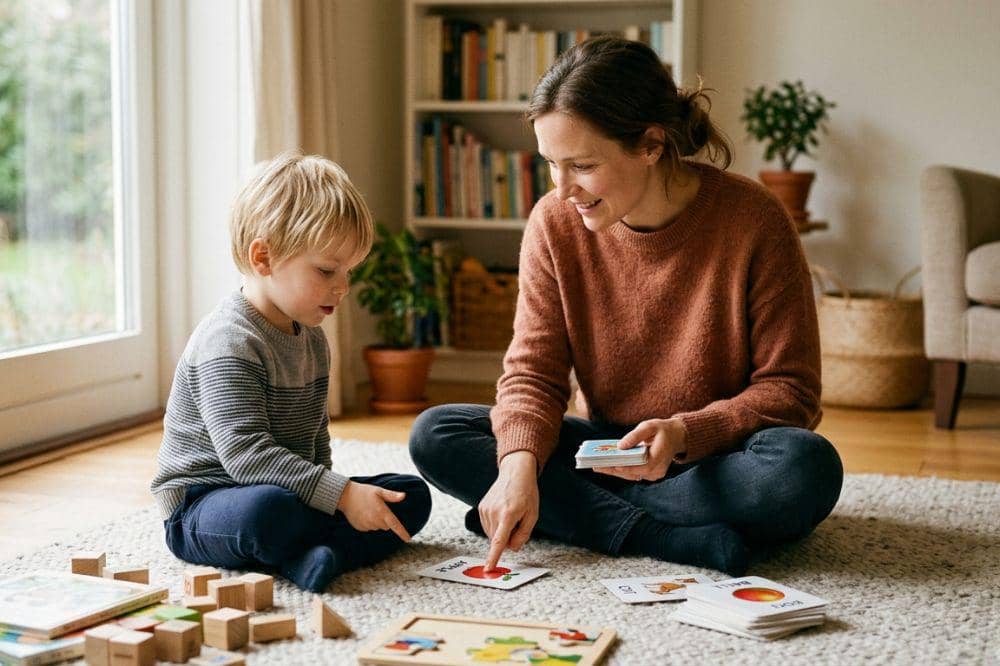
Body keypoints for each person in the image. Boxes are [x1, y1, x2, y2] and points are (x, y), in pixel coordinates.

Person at [409, 37, 842, 577]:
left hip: (712, 459)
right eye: (551, 164)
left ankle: (574, 514)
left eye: (582, 165)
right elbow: (533, 373)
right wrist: (519, 468)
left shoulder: (755, 220)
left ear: (651, 144)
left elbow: (791, 391)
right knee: (437, 433)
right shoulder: (553, 223)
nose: (563, 189)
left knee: (804, 468)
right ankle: (661, 535)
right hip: (605, 452)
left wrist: (684, 434)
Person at [151, 152, 431, 592]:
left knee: (409, 495)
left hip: (288, 491)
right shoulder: (228, 342)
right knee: (270, 512)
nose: (343, 286)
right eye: (326, 270)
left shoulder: (312, 337)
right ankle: (315, 547)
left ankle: (309, 554)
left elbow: (315, 436)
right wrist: (340, 496)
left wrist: (334, 496)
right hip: (205, 503)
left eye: (349, 271)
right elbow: (245, 456)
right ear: (263, 258)